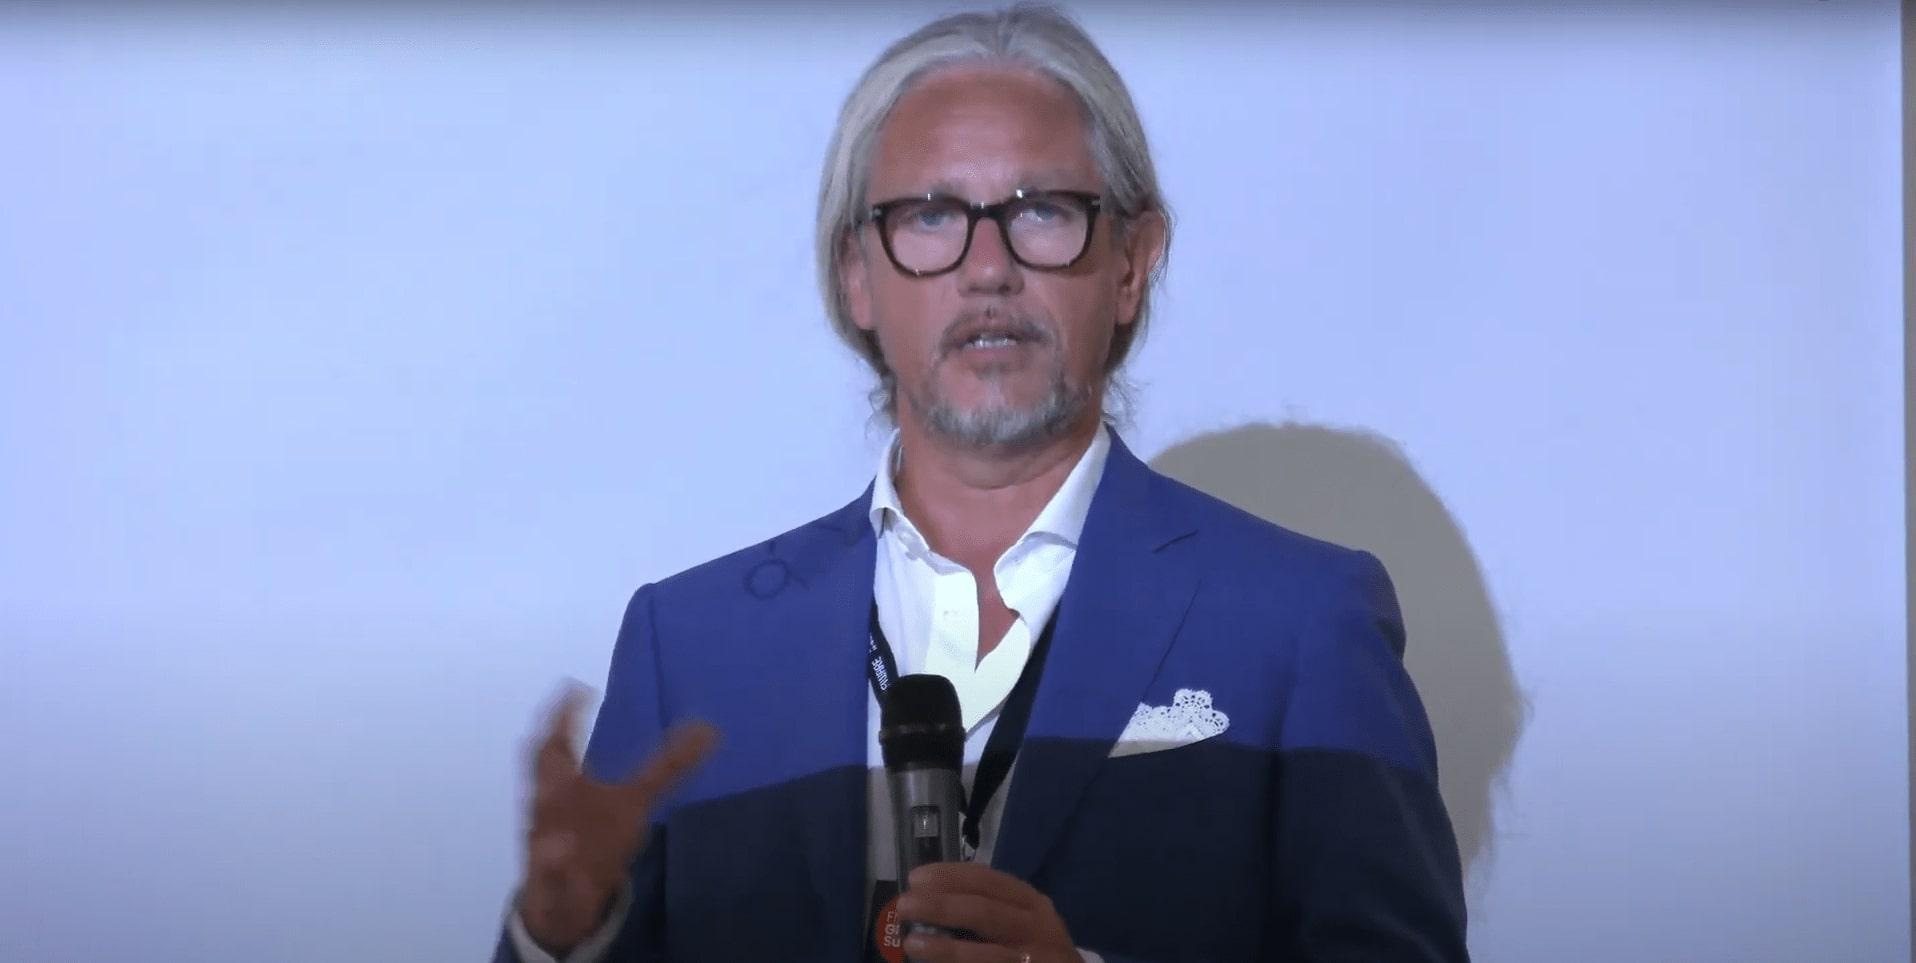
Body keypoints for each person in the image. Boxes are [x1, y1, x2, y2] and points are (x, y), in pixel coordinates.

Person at [493, 5, 1467, 961]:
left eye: (1042, 211)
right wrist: (560, 938)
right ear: (856, 274)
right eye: (931, 216)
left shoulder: (1298, 623)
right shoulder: (691, 647)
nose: (988, 269)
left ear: (1131, 263)